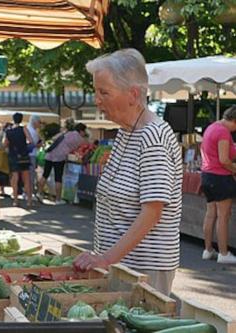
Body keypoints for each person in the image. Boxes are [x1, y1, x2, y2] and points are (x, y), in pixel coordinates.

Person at [73, 49, 182, 295]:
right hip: (122, 266)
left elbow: (152, 212)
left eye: (104, 92)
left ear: (133, 94)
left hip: (144, 271)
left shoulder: (153, 137)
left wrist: (106, 258)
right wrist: (104, 258)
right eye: (96, 91)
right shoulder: (126, 132)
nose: (97, 100)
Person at [200, 105, 236, 264]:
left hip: (207, 176)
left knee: (211, 214)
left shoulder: (212, 127)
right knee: (223, 216)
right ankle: (223, 253)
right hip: (220, 177)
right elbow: (224, 160)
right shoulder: (223, 132)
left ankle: (208, 250)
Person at [37, 123, 88, 205]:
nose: (85, 133)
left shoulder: (67, 133)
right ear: (81, 131)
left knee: (45, 175)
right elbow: (77, 149)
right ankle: (58, 199)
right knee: (58, 178)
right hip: (59, 157)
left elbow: (54, 138)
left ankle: (39, 193)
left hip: (50, 155)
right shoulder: (79, 139)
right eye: (84, 131)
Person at [5, 112, 33, 208]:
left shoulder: (8, 131)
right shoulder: (23, 129)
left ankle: (16, 200)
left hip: (13, 156)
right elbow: (31, 140)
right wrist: (25, 145)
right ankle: (29, 201)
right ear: (21, 119)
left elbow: (5, 144)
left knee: (14, 179)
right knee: (26, 179)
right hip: (23, 156)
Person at [0, 123, 12, 197]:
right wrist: (3, 147)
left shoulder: (2, 133)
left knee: (3, 175)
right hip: (0, 157)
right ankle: (0, 190)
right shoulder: (1, 134)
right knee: (0, 174)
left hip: (3, 157)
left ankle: (2, 190)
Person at [27, 115, 42, 197]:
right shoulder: (33, 131)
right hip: (32, 154)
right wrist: (40, 144)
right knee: (31, 175)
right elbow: (34, 144)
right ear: (35, 122)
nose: (39, 124)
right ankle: (30, 193)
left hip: (27, 155)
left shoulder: (28, 129)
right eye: (39, 122)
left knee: (28, 175)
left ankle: (27, 193)